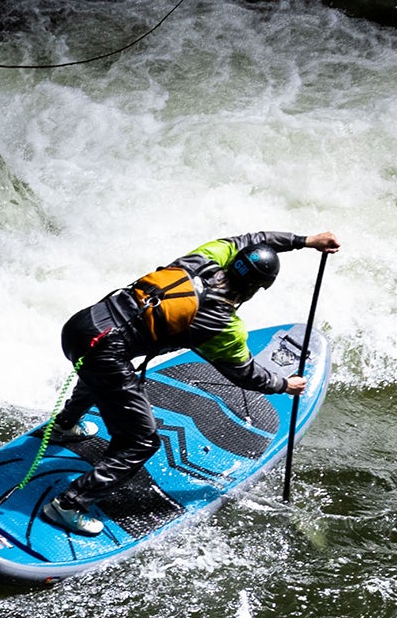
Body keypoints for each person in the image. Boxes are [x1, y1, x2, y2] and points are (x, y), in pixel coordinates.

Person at [38, 228, 342, 536]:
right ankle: (70, 504)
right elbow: (245, 373)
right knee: (141, 440)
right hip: (106, 353)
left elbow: (250, 239)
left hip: (82, 324)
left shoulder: (202, 259)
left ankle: (65, 426)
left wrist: (304, 241)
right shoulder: (222, 323)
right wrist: (283, 385)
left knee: (101, 374)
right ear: (255, 289)